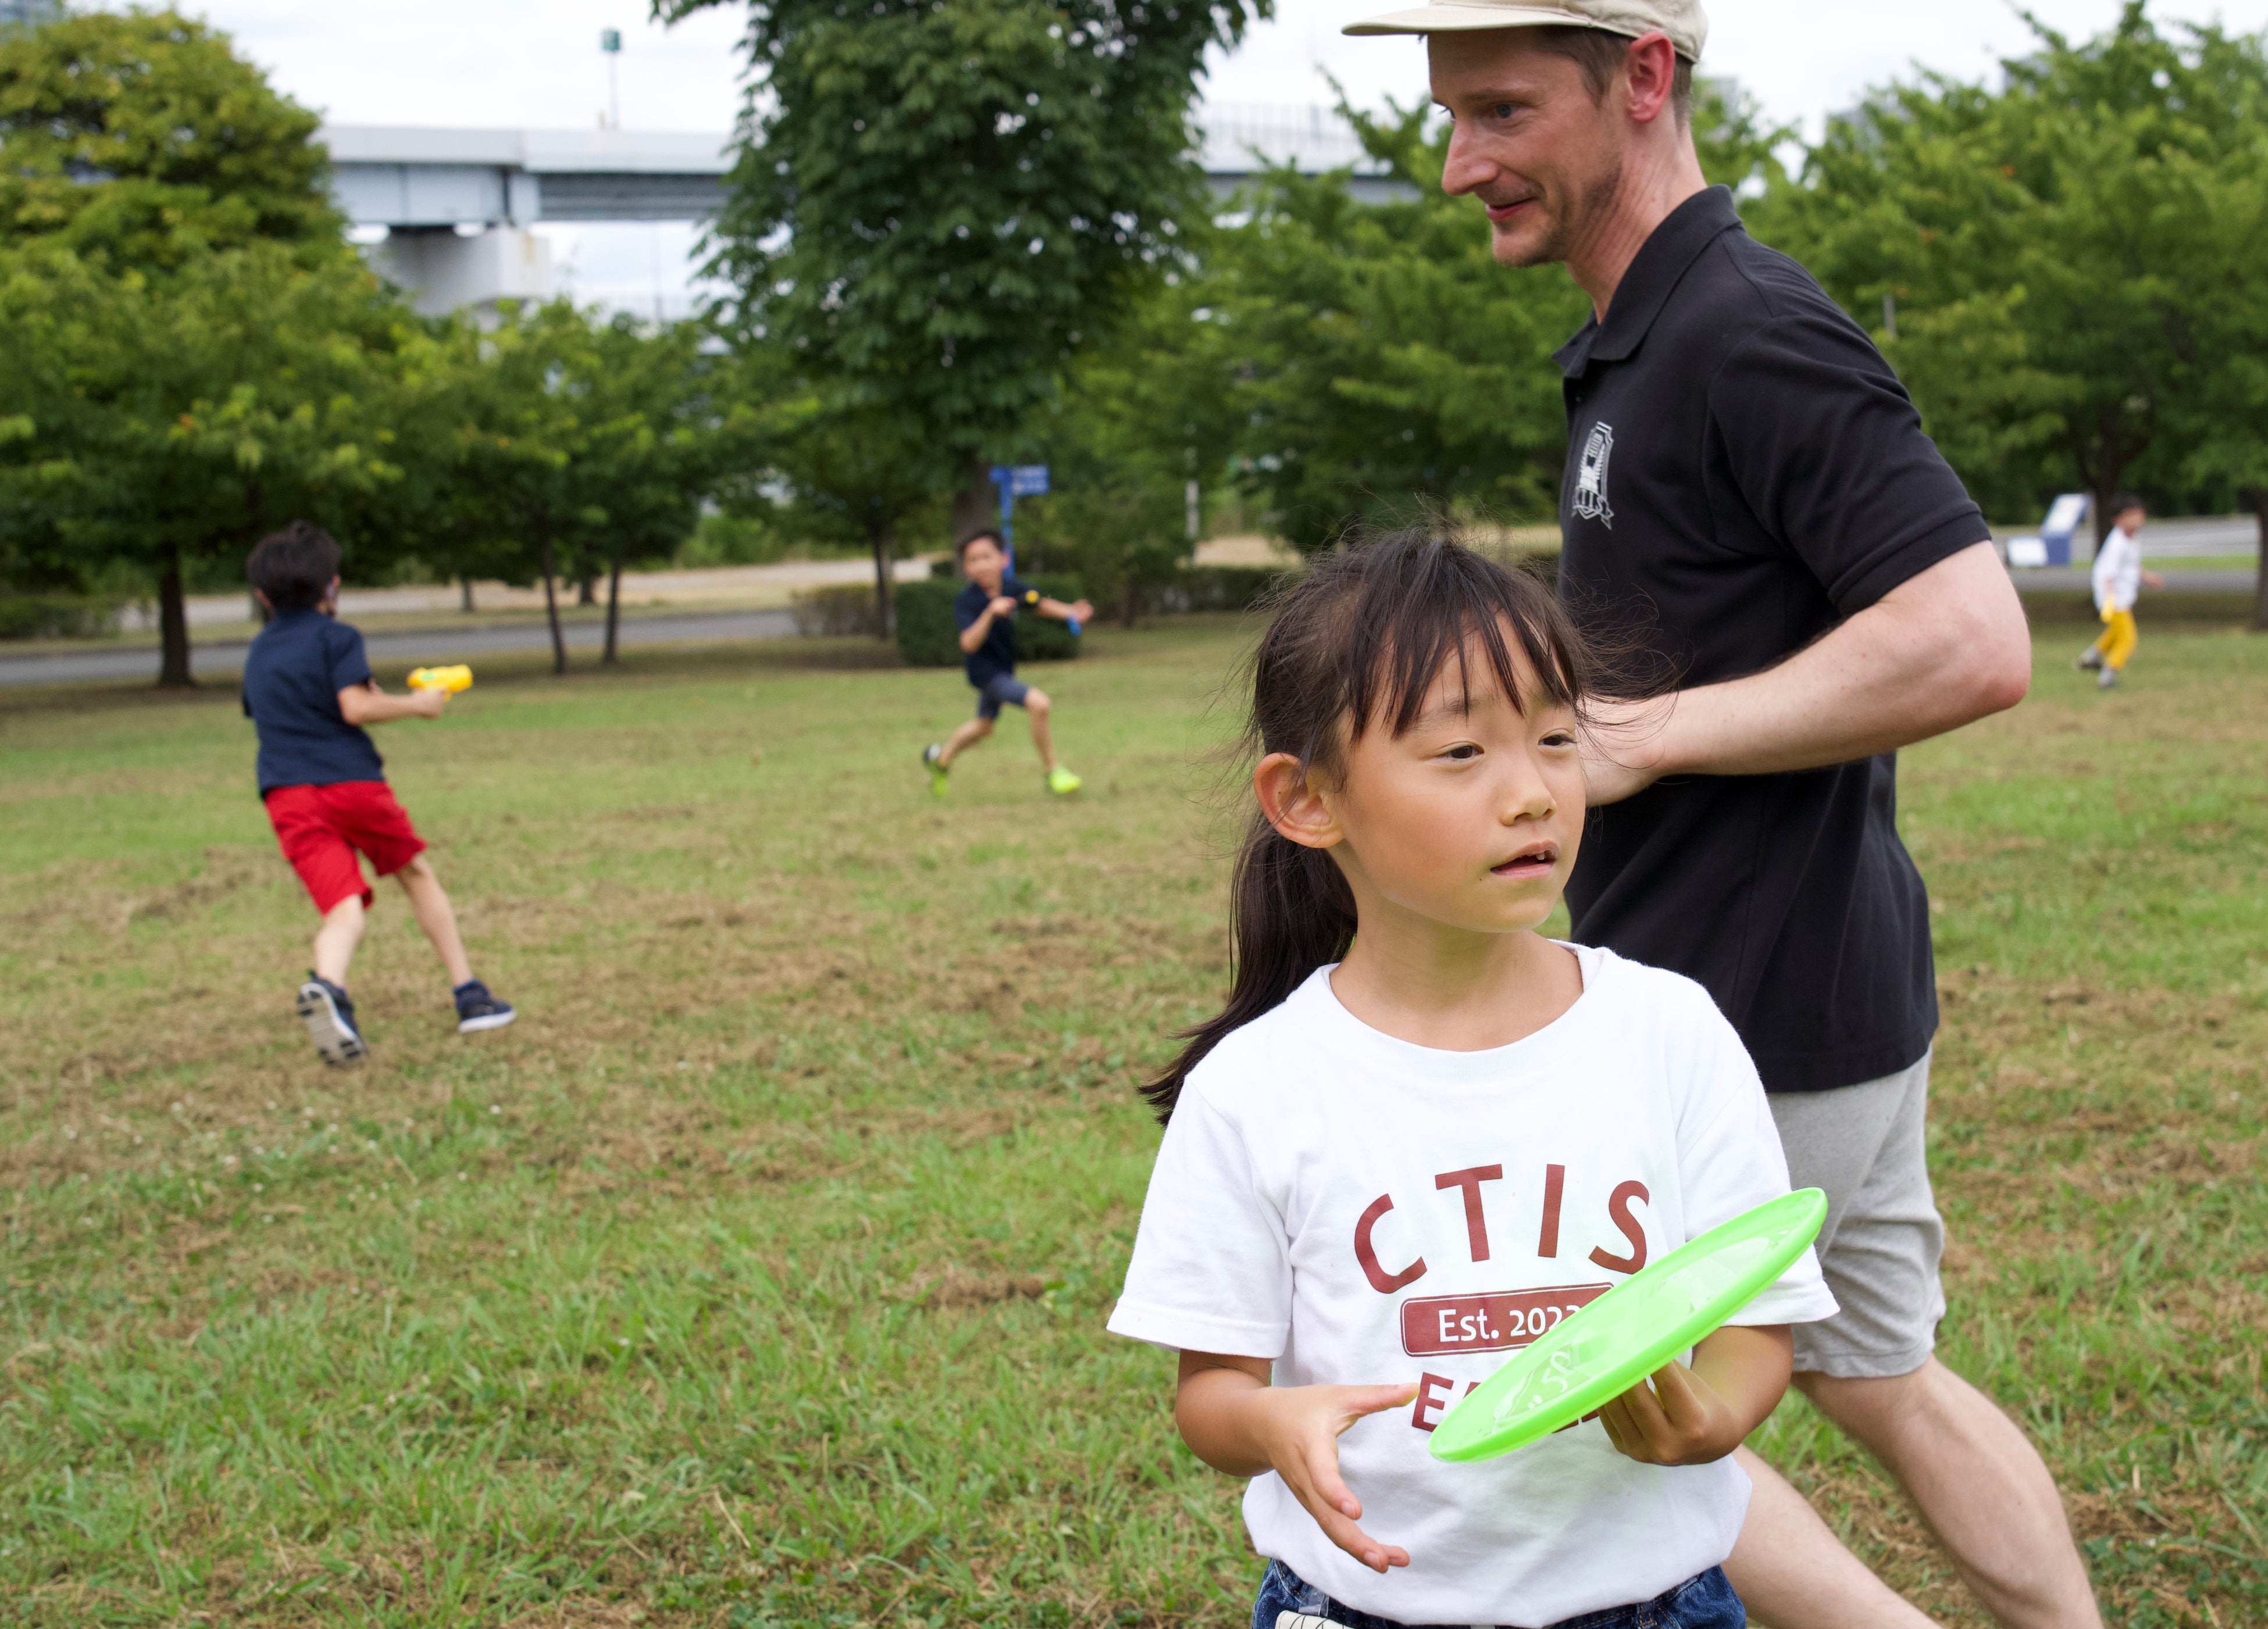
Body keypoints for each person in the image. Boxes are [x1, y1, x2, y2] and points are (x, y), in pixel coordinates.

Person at [1345, 4, 2096, 1627]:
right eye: (1450, 117)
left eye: (1499, 111)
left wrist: (1643, 734)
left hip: (1751, 1000)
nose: (1460, 163)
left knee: (1624, 1407)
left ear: (1641, 76)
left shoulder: (1743, 330)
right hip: (1792, 977)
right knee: (1873, 1369)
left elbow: (1972, 638)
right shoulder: (1645, 336)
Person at [1110, 533, 1839, 1629]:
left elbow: (1752, 1314)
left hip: (1655, 1602)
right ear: (1307, 800)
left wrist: (1718, 1416)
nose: (1533, 793)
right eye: (1461, 751)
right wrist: (1269, 1424)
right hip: (1361, 1605)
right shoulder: (1257, 1087)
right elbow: (1213, 1392)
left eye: (1556, 739)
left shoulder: (1668, 1031)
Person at [240, 521, 515, 1067]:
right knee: (415, 874)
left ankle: (328, 987)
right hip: (351, 784)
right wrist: (418, 705)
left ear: (263, 597)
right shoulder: (337, 637)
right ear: (333, 587)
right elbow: (354, 707)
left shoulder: (258, 653)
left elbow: (291, 707)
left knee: (343, 909)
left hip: (287, 795)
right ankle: (470, 994)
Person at [921, 528, 1094, 797]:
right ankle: (1053, 771)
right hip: (984, 673)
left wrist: (1070, 612)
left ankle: (940, 762)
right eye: (973, 560)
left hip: (1003, 669)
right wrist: (990, 613)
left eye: (986, 557)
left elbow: (1037, 604)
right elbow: (968, 643)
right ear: (966, 568)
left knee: (984, 727)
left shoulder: (1012, 588)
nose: (980, 565)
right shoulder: (967, 601)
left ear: (1004, 559)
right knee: (1039, 704)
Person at [2074, 497, 2162, 690]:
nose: (2136, 519)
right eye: (2130, 515)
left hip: (2121, 599)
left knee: (2116, 633)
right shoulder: (2117, 543)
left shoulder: (2131, 539)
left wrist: (2147, 577)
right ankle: (2107, 678)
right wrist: (2109, 601)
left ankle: (2090, 658)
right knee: (2127, 638)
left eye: (2138, 514)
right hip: (2114, 600)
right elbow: (2107, 575)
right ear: (2117, 519)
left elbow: (2132, 564)